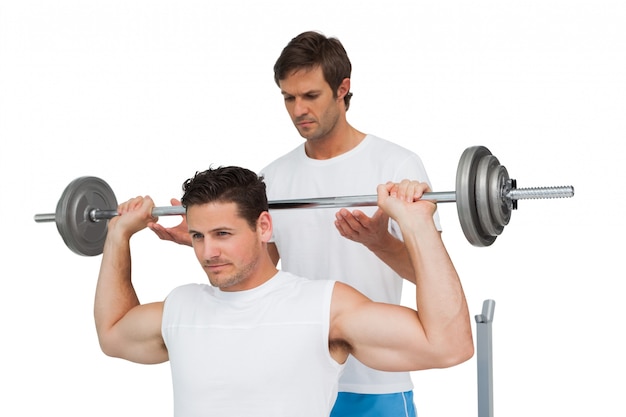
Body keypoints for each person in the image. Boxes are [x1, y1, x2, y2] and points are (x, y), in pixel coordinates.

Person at [149, 31, 443, 416]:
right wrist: (204, 240)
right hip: (296, 377)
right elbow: (259, 264)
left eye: (310, 96)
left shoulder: (396, 166)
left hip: (375, 377)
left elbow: (432, 277)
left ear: (343, 89)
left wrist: (378, 242)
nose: (298, 109)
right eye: (289, 97)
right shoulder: (273, 176)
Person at [96, 165, 473, 417]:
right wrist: (118, 235)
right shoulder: (182, 307)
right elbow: (112, 334)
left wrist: (417, 223)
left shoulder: (322, 306)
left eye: (223, 234)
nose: (208, 252)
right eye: (198, 236)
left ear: (263, 227)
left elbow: (449, 346)